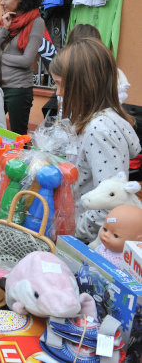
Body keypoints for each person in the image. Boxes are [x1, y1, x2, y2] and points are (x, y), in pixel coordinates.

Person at [49, 38, 141, 244]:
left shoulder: (99, 130)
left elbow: (109, 203)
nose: (58, 93)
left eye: (60, 84)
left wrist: (71, 234)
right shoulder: (92, 122)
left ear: (82, 85)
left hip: (87, 239)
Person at [0, 0, 44, 135]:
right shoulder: (5, 21)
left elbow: (26, 60)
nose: (1, 2)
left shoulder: (36, 22)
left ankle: (19, 161)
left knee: (17, 136)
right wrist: (5, 29)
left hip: (18, 89)